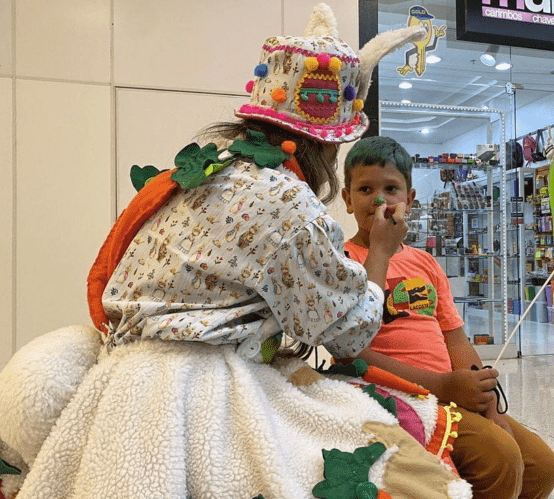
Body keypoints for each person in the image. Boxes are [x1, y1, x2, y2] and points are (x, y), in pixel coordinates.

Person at [0, 6, 475, 499]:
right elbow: (349, 332)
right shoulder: (288, 201)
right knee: (407, 480)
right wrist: (381, 251)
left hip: (119, 377)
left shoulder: (203, 173)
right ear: (324, 148)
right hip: (204, 393)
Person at [341, 136, 554, 499]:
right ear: (347, 200)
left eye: (391, 189)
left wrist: (488, 403)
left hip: (447, 392)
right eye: (366, 189)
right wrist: (441, 386)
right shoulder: (343, 262)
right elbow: (351, 353)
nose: (379, 200)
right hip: (391, 395)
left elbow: (454, 338)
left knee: (541, 465)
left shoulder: (425, 263)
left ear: (409, 200)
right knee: (500, 458)